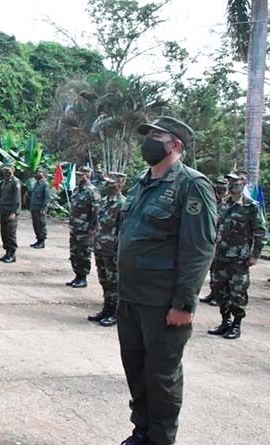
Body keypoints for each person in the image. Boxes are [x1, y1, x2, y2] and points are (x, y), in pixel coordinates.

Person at [117, 116, 217, 445]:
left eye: (156, 136)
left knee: (161, 376)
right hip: (131, 297)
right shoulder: (141, 182)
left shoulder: (192, 184)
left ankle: (161, 438)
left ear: (175, 145)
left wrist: (184, 303)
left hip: (162, 303)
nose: (148, 141)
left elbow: (198, 248)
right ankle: (142, 431)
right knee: (136, 369)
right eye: (148, 135)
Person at [206, 171, 267, 340]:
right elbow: (214, 227)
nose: (231, 184)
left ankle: (236, 325)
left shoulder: (251, 206)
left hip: (239, 259)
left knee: (237, 292)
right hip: (220, 256)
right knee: (219, 290)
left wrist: (255, 255)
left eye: (235, 181)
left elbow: (261, 233)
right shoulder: (223, 204)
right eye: (229, 181)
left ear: (243, 183)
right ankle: (225, 322)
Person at [88, 173, 126, 327]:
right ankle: (106, 308)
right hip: (100, 247)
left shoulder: (123, 204)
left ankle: (115, 313)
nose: (108, 185)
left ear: (120, 185)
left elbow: (124, 230)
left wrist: (119, 251)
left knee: (114, 282)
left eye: (112, 183)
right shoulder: (104, 201)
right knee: (104, 280)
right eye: (107, 183)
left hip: (113, 250)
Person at [66, 166, 99, 288]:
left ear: (90, 175)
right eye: (80, 174)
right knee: (74, 253)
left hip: (85, 229)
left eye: (85, 174)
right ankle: (77, 275)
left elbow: (95, 211)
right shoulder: (76, 190)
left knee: (83, 253)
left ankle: (83, 278)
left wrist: (92, 229)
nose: (82, 176)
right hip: (75, 227)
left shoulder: (92, 191)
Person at [200, 177, 230, 306]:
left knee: (224, 273)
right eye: (217, 184)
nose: (219, 187)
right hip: (212, 240)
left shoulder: (229, 202)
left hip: (226, 243)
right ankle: (213, 293)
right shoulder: (213, 199)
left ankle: (220, 297)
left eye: (222, 185)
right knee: (213, 271)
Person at [0, 164, 21, 263]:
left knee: (11, 233)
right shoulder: (5, 182)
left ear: (13, 170)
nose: (6, 171)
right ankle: (7, 252)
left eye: (8, 170)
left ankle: (12, 254)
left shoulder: (15, 182)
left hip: (11, 212)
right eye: (4, 170)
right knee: (4, 233)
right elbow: (2, 197)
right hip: (4, 211)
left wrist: (14, 212)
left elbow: (16, 199)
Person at [29, 168, 50, 249]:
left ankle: (42, 241)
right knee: (36, 225)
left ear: (43, 174)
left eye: (40, 172)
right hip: (34, 207)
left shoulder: (45, 184)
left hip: (40, 209)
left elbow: (46, 198)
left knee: (41, 225)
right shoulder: (36, 184)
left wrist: (43, 209)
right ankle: (38, 240)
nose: (37, 173)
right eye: (37, 172)